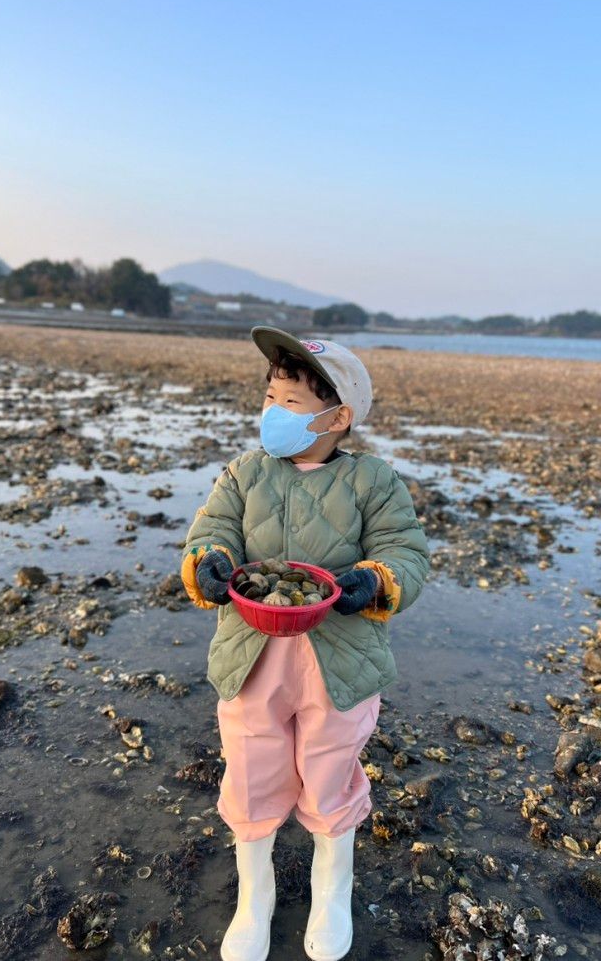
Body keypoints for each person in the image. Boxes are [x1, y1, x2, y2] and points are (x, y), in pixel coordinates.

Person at [180, 325, 430, 961]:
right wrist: (206, 561)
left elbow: (406, 551)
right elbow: (211, 531)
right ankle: (254, 896)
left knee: (330, 770)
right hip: (250, 655)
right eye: (269, 398)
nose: (273, 413)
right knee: (251, 768)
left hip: (340, 659)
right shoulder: (244, 472)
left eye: (289, 403)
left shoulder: (374, 481)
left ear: (337, 417)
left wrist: (372, 582)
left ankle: (331, 888)